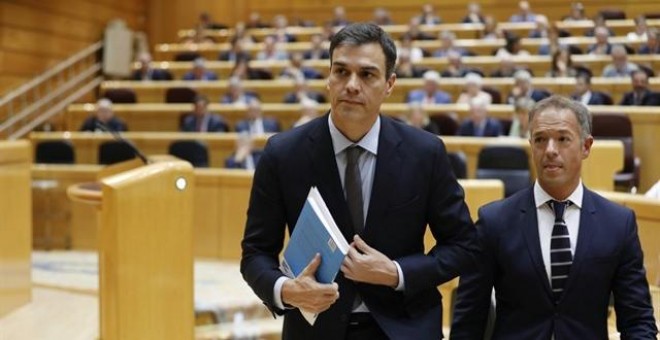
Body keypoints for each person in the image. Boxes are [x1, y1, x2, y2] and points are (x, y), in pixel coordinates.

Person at [240, 22, 478, 340]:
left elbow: (463, 245)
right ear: (328, 78)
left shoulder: (425, 152)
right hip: (315, 331)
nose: (351, 85)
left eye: (367, 75)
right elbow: (255, 252)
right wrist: (287, 291)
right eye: (341, 71)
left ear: (389, 84)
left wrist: (397, 273)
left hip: (405, 327)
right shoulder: (283, 153)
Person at [451, 95, 658, 339]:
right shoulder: (494, 221)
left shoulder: (618, 223)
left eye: (562, 139)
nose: (550, 150)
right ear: (531, 145)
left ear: (586, 146)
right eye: (540, 139)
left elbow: (637, 320)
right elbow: (468, 320)